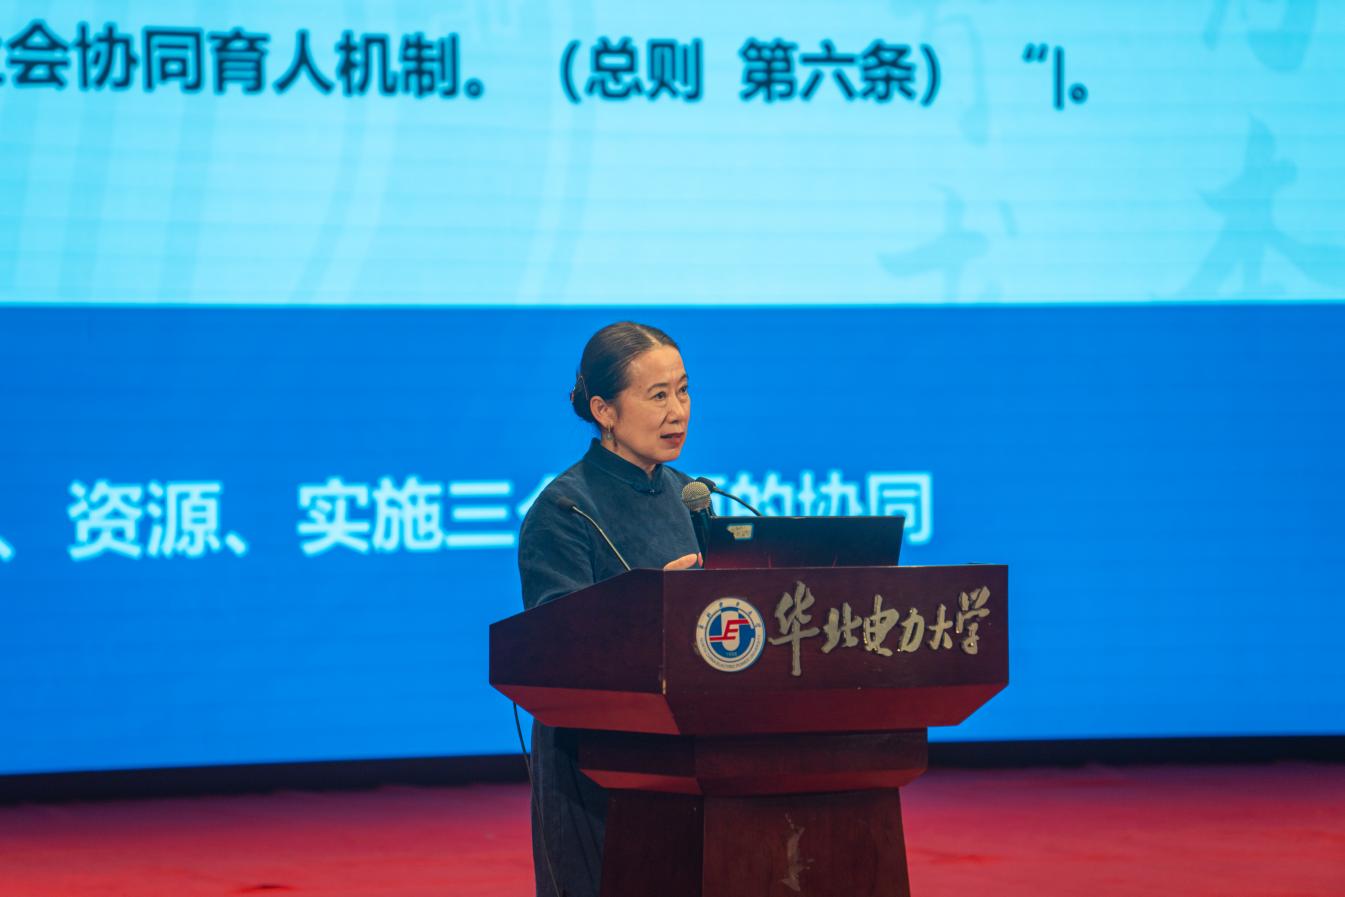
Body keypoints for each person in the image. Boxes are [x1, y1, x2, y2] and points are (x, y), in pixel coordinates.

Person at [517, 321, 700, 897]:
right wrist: (650, 602)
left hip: (693, 752)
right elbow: (557, 644)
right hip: (595, 768)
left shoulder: (691, 498)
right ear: (604, 411)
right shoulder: (564, 510)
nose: (677, 412)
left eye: (683, 391)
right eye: (657, 395)